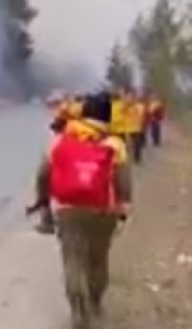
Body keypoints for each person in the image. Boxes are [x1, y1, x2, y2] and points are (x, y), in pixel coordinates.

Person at [30, 92, 132, 329]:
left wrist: (43, 203)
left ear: (83, 113)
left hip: (69, 210)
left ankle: (79, 310)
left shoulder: (61, 139)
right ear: (108, 115)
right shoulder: (115, 144)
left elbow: (43, 174)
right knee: (98, 258)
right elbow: (124, 181)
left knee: (73, 260)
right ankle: (95, 302)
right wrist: (124, 205)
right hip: (104, 210)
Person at [122, 92, 146, 165]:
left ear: (133, 99)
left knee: (137, 144)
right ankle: (124, 158)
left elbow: (141, 116)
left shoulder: (138, 106)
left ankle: (137, 158)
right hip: (126, 128)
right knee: (125, 144)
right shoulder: (124, 106)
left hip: (136, 128)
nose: (129, 99)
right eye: (128, 98)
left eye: (131, 98)